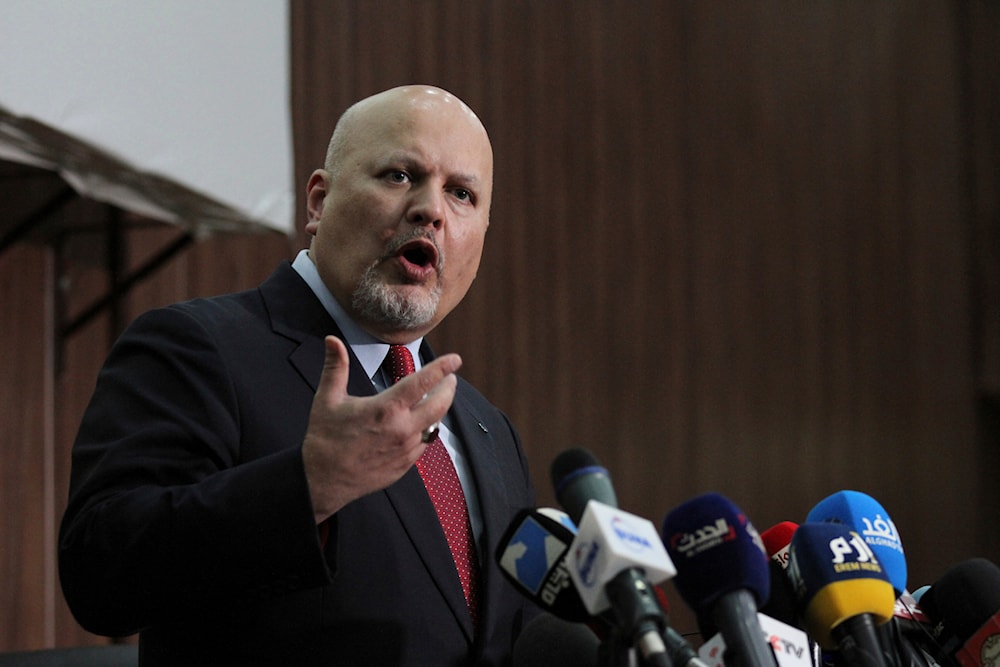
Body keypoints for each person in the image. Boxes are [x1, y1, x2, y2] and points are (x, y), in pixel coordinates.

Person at [58, 85, 538, 666]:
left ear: (482, 236)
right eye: (398, 175)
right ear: (318, 202)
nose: (431, 209)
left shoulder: (492, 433)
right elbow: (100, 574)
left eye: (461, 194)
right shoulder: (199, 348)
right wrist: (306, 489)